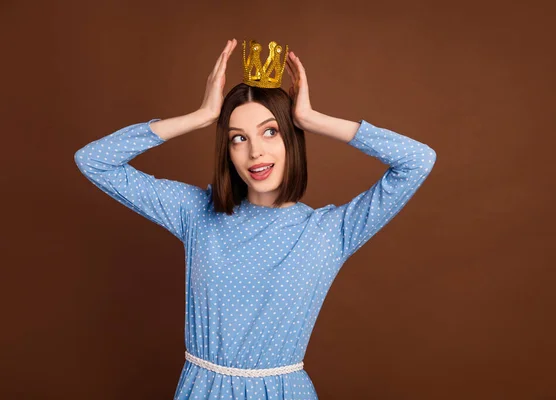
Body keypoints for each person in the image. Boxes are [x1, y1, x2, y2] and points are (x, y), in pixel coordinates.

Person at [74, 38, 437, 399]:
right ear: (228, 152)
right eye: (237, 138)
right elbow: (94, 160)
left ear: (291, 138)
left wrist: (312, 119)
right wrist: (199, 116)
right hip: (202, 390)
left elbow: (418, 161)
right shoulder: (197, 213)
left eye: (270, 131)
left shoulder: (330, 231)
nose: (255, 151)